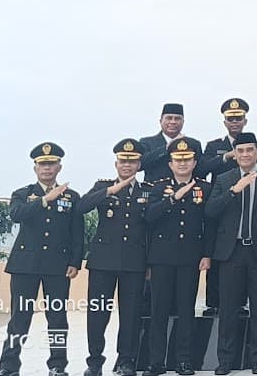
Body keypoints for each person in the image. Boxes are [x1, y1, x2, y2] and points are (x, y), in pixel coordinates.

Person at [0, 143, 84, 376]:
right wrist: (46, 199)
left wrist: (75, 262)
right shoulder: (23, 194)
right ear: (35, 167)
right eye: (42, 164)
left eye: (51, 164)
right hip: (25, 266)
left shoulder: (72, 197)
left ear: (59, 167)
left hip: (57, 267)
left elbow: (77, 233)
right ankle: (9, 365)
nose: (47, 168)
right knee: (20, 318)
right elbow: (17, 215)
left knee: (57, 318)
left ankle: (57, 365)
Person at [207, 132, 257, 375]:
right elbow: (210, 212)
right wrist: (233, 190)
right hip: (231, 253)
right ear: (235, 154)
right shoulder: (224, 178)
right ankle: (226, 360)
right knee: (228, 308)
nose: (245, 155)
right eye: (240, 151)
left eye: (249, 150)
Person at [77, 139, 150, 376]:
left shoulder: (147, 190)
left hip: (134, 262)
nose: (126, 166)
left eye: (131, 161)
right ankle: (95, 360)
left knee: (130, 314)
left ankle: (126, 360)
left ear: (139, 164)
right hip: (103, 261)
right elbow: (81, 207)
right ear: (116, 163)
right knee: (98, 312)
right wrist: (110, 191)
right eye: (122, 161)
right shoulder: (103, 185)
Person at [144, 137, 213, 376]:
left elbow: (210, 225)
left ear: (195, 162)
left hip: (190, 258)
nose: (182, 164)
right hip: (161, 258)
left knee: (186, 311)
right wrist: (172, 198)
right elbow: (149, 218)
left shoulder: (205, 188)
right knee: (159, 312)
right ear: (170, 164)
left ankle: (184, 360)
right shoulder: (158, 186)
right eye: (178, 160)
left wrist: (207, 254)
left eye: (187, 160)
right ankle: (156, 361)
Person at [200, 98, 250, 316]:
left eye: (238, 118)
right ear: (224, 122)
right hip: (218, 204)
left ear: (245, 120)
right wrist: (227, 156)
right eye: (231, 119)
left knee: (239, 254)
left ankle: (240, 302)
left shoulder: (251, 142)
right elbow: (202, 168)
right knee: (215, 251)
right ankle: (213, 301)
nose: (235, 122)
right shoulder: (214, 146)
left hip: (243, 203)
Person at [139, 103, 187, 184]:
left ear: (183, 122)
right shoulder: (147, 142)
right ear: (161, 121)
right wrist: (167, 147)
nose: (173, 122)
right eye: (169, 118)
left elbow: (200, 169)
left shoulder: (192, 144)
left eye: (177, 119)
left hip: (183, 191)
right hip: (153, 190)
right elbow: (140, 164)